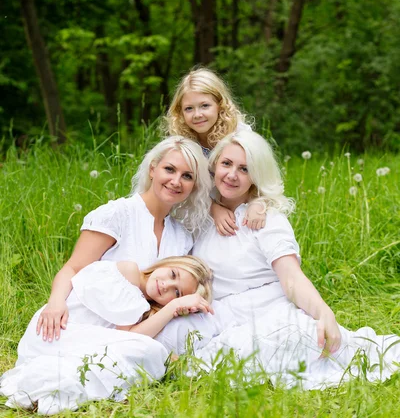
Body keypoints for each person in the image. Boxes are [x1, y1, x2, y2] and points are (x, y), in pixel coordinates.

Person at [157, 131, 400, 389]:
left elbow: (292, 278)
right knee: (168, 338)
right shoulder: (199, 214)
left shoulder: (266, 220)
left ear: (255, 177)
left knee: (287, 341)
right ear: (215, 164)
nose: (231, 174)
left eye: (244, 169)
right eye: (226, 164)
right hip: (214, 315)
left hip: (265, 313)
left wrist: (323, 312)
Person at [36, 136, 212, 344]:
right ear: (153, 169)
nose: (176, 181)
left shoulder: (181, 237)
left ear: (194, 185)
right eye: (170, 169)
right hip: (80, 319)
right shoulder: (118, 214)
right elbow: (74, 268)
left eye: (187, 176)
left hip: (126, 334)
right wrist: (55, 303)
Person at [0, 256, 213, 414]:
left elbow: (127, 338)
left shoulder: (142, 306)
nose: (166, 285)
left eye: (176, 292)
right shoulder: (129, 272)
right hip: (56, 331)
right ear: (166, 263)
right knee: (151, 350)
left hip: (68, 337)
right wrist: (174, 306)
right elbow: (130, 338)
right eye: (172, 274)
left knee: (150, 351)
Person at [166, 67, 265, 235]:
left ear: (220, 105)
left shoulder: (240, 136)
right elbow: (181, 187)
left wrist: (258, 202)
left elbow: (263, 178)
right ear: (180, 112)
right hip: (201, 207)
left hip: (242, 202)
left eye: (205, 106)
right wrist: (213, 209)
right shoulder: (182, 142)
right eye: (189, 108)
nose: (197, 115)